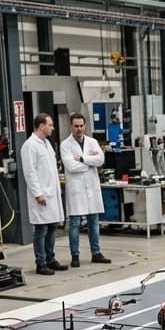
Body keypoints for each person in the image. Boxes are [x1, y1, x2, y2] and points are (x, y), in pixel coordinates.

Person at [60, 112, 110, 267]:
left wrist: (82, 159)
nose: (79, 129)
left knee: (94, 222)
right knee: (74, 223)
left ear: (85, 126)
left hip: (91, 188)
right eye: (76, 126)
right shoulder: (65, 145)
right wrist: (90, 161)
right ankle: (75, 255)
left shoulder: (92, 142)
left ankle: (96, 253)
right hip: (76, 190)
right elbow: (71, 167)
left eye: (81, 126)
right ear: (71, 126)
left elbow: (101, 160)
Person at [20, 112, 66, 275]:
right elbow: (30, 172)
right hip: (41, 195)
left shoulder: (46, 143)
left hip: (52, 193)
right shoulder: (29, 146)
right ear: (41, 126)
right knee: (41, 230)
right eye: (50, 125)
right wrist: (38, 193)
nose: (52, 128)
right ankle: (41, 263)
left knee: (52, 226)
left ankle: (50, 259)